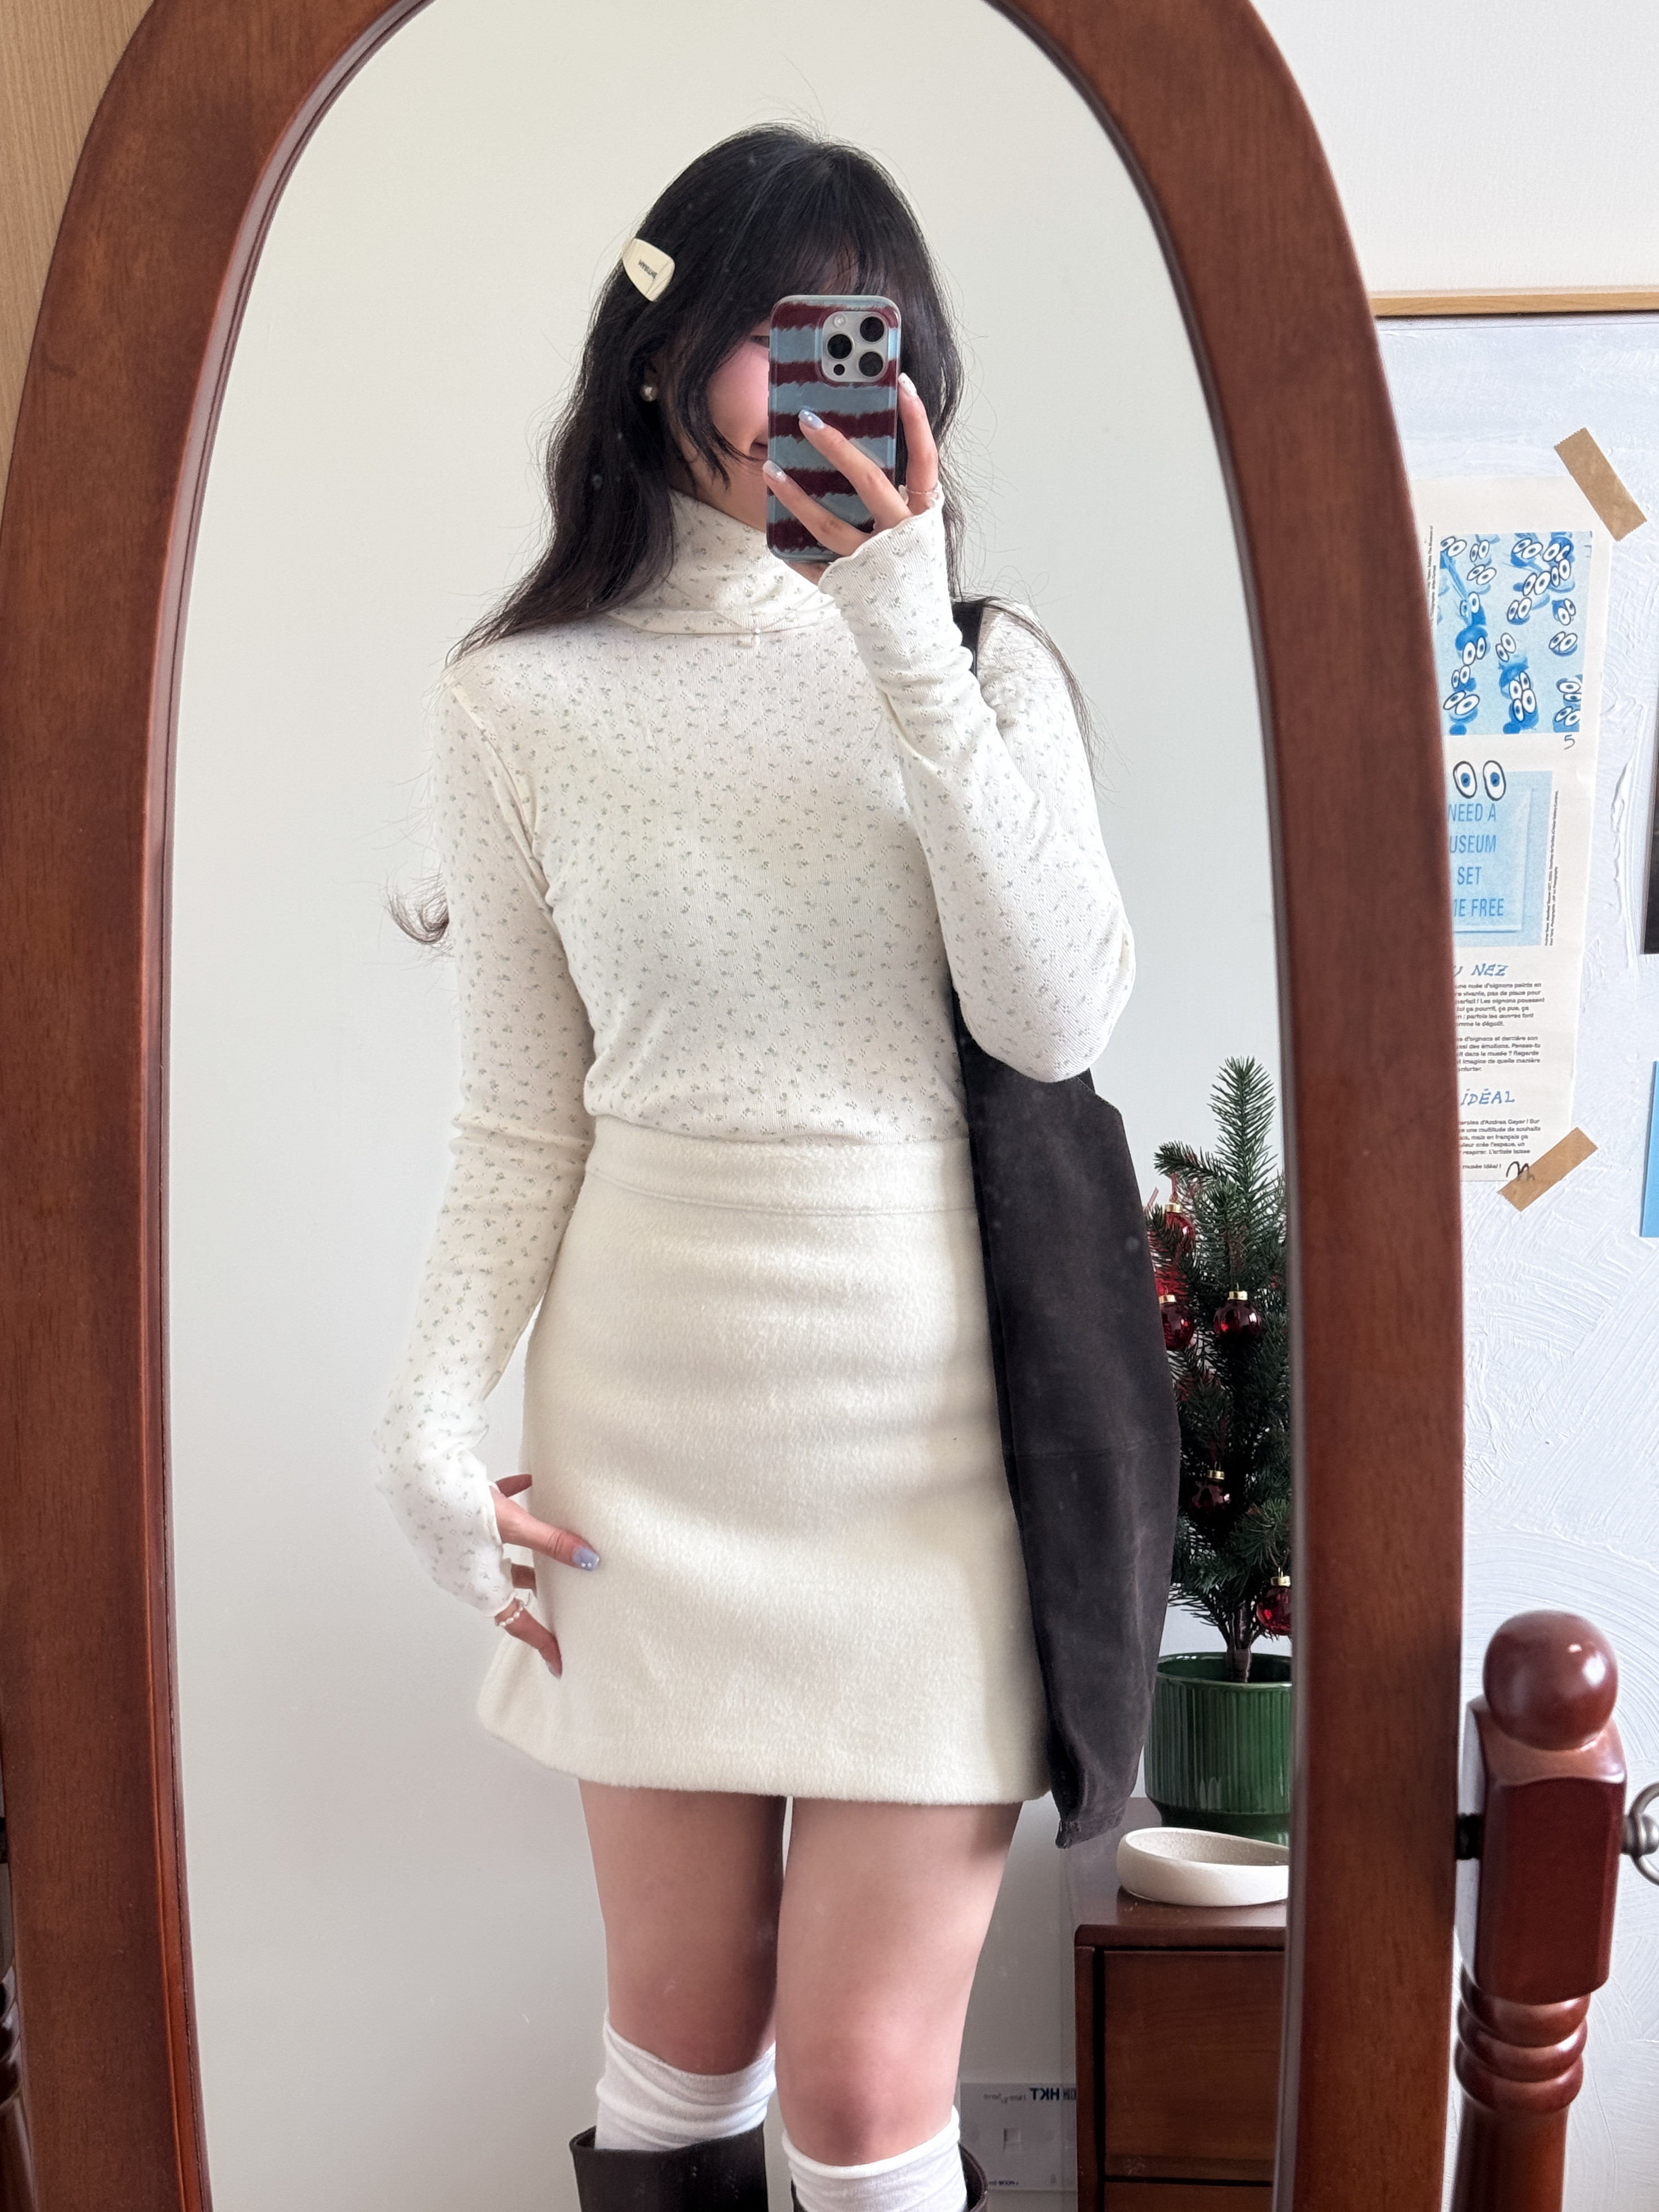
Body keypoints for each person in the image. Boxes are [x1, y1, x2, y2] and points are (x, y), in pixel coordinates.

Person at [377, 123, 1133, 2212]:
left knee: (868, 2100)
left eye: (867, 333)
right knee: (679, 2046)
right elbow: (522, 1111)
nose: (828, 375)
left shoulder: (984, 663)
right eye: (781, 328)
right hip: (654, 1434)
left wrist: (905, 642)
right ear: (664, 354)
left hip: (931, 1447)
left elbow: (1054, 1017)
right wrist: (426, 1417)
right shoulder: (518, 701)